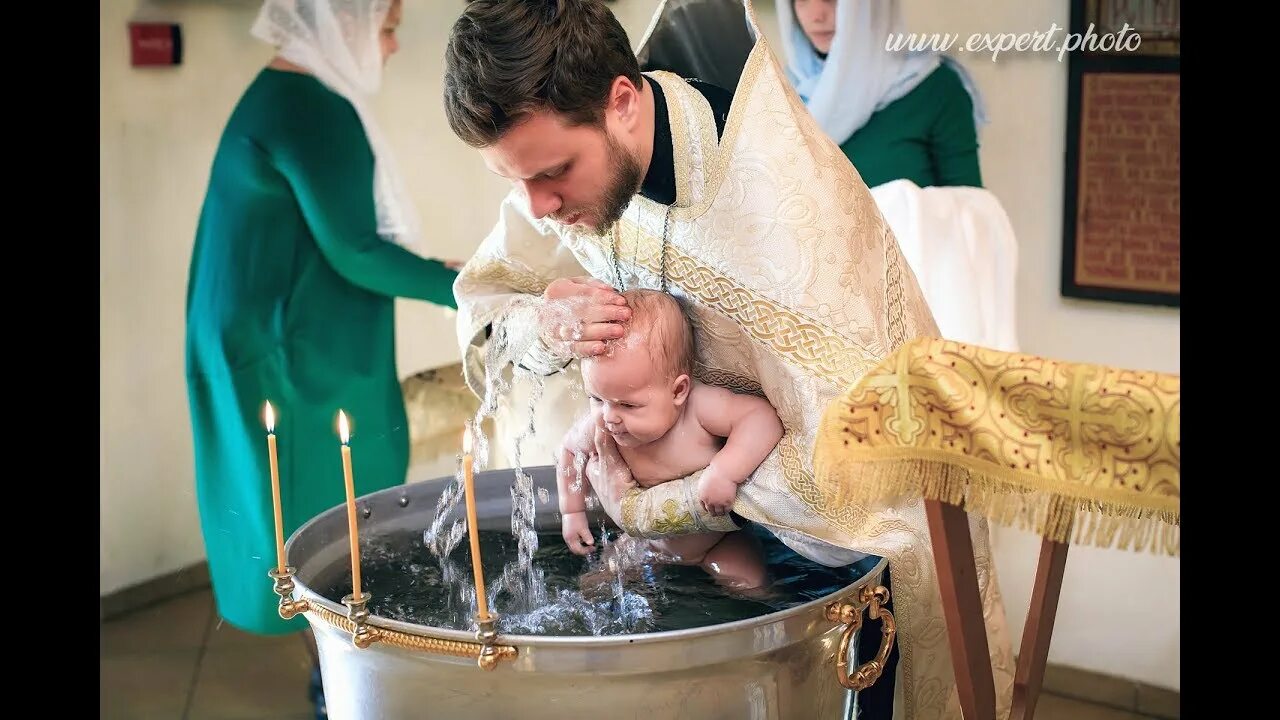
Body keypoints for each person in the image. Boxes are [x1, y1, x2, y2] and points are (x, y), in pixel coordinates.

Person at [445, 1, 1015, 717]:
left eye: (554, 173)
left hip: (843, 573)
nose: (537, 208)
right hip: (695, 541)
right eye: (514, 181)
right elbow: (491, 304)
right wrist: (544, 325)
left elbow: (858, 476)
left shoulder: (780, 205)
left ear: (623, 101)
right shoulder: (560, 171)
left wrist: (659, 497)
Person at [183, 1, 457, 716]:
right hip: (287, 350)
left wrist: (446, 272)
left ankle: (335, 667)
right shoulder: (307, 105)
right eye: (388, 25)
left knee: (313, 510)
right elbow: (357, 251)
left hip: (280, 332)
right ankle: (337, 677)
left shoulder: (288, 92)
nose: (393, 46)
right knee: (320, 515)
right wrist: (468, 288)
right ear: (342, 18)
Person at [557, 289, 779, 591]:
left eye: (628, 404)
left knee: (749, 584)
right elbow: (570, 451)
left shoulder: (699, 411)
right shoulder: (602, 424)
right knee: (595, 585)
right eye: (596, 398)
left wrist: (726, 471)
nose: (609, 416)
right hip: (646, 544)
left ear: (678, 391)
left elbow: (762, 418)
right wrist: (572, 511)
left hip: (718, 543)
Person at [778, 0, 987, 189]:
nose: (816, 16)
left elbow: (971, 215)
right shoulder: (781, 94)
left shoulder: (934, 87)